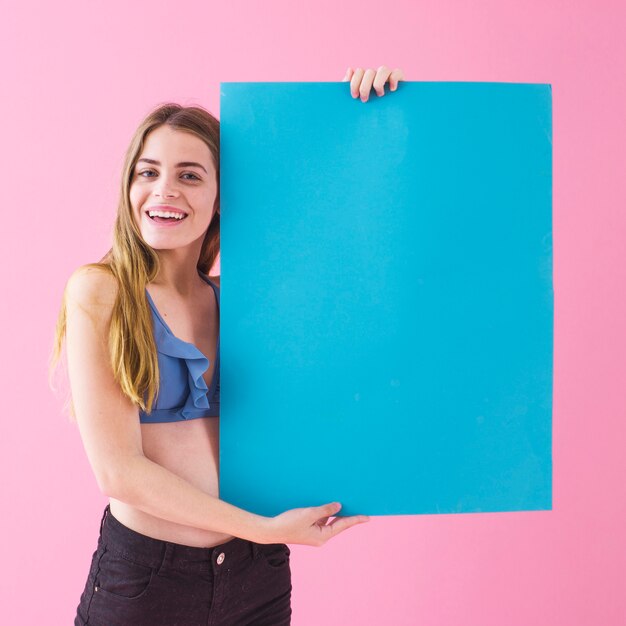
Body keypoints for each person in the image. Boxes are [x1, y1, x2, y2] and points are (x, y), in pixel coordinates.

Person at [49, 65, 405, 626]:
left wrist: (371, 115)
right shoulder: (100, 289)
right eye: (148, 172)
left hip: (255, 576)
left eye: (190, 176)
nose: (164, 190)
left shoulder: (246, 303)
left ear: (221, 196)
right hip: (148, 583)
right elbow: (118, 472)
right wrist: (263, 527)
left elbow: (355, 245)